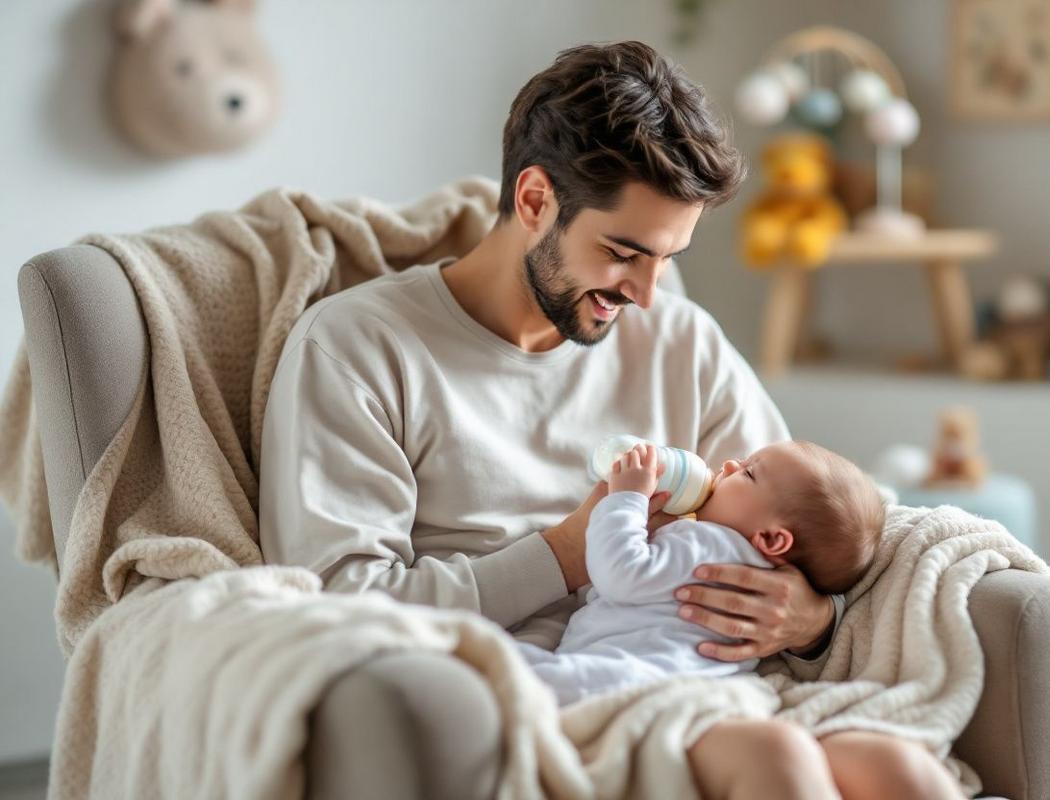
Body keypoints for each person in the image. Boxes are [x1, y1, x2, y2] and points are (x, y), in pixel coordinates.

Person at [259, 40, 966, 800]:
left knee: (906, 775)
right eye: (624, 253)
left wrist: (811, 620)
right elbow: (337, 602)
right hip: (535, 689)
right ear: (533, 201)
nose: (648, 295)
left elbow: (807, 509)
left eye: (666, 258)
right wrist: (565, 554)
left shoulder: (680, 340)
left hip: (698, 673)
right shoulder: (358, 347)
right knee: (780, 769)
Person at [519, 440, 885, 707]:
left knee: (509, 672)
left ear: (772, 538)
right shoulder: (743, 565)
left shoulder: (711, 544)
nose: (727, 465)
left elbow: (619, 573)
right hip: (698, 691)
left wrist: (625, 500)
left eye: (748, 473)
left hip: (632, 677)